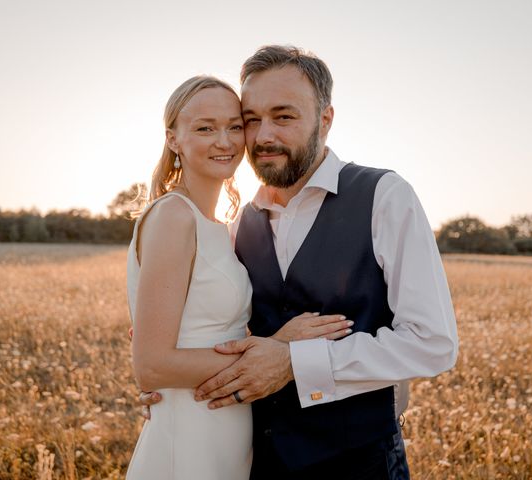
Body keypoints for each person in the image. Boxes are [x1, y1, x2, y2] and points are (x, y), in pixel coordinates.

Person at [142, 45, 459, 480]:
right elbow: (218, 331)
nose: (263, 136)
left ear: (325, 120)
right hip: (258, 461)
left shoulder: (384, 196)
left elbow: (432, 342)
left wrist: (294, 360)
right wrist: (169, 387)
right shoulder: (239, 225)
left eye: (284, 116)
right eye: (251, 119)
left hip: (359, 465)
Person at [125, 75, 352, 480]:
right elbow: (152, 367)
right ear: (173, 139)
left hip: (226, 427)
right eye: (205, 127)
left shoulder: (219, 224)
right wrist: (277, 346)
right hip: (192, 430)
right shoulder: (174, 216)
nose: (225, 141)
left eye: (235, 125)